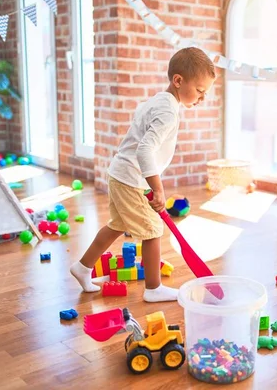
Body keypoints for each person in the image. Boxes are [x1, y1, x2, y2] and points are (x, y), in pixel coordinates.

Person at [70, 47, 216, 302]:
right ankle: (153, 288)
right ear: (178, 80)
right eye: (200, 90)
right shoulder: (168, 111)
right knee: (152, 230)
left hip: (120, 173)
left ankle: (83, 267)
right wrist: (157, 188)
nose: (202, 97)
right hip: (131, 179)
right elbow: (144, 149)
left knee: (116, 226)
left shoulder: (161, 100)